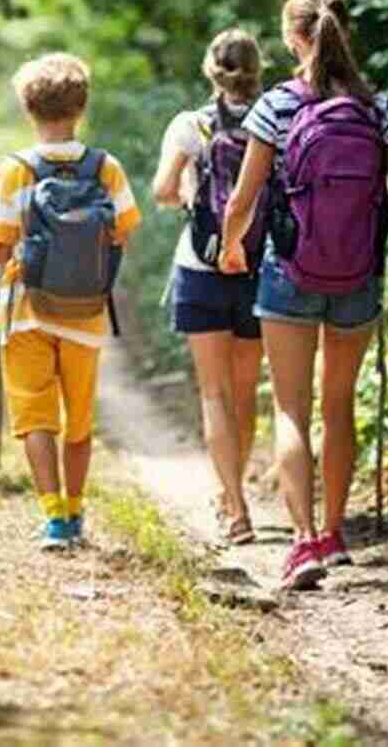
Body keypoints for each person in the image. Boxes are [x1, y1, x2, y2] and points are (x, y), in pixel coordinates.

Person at [219, 0, 388, 589]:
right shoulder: (377, 106)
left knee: (291, 408)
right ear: (344, 29)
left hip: (289, 272)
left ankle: (302, 542)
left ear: (291, 36)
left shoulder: (278, 105)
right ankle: (335, 534)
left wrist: (232, 246)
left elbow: (242, 199)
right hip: (357, 275)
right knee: (339, 406)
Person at [0, 53, 141, 549]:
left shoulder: (15, 171)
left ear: (27, 109)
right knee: (78, 420)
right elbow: (123, 233)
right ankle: (77, 513)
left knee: (36, 415)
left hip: (27, 312)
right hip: (86, 314)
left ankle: (54, 517)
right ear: (82, 107)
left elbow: (0, 248)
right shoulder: (107, 167)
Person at [152, 29, 266, 545]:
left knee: (214, 394)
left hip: (201, 268)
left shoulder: (190, 124)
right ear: (258, 68)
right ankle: (233, 491)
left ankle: (234, 507)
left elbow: (162, 190)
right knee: (245, 394)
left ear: (210, 70)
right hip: (260, 268)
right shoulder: (277, 118)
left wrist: (191, 204)